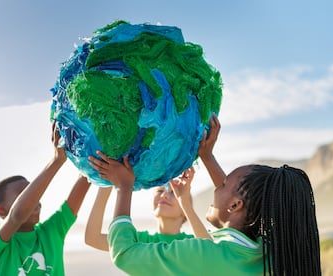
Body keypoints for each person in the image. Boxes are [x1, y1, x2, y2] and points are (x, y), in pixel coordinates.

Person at [89, 114, 321, 276]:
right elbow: (240, 197)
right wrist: (207, 157)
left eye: (223, 184)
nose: (216, 186)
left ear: (235, 205)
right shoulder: (269, 253)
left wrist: (123, 187)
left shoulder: (200, 254)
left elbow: (125, 254)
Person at [0, 123, 91, 276]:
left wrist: (96, 150)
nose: (36, 201)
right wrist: (57, 161)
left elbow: (85, 179)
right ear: (1, 210)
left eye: (35, 194)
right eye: (24, 195)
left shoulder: (50, 232)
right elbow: (17, 215)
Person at [84, 166, 210, 252]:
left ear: (184, 210)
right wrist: (107, 182)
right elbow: (93, 238)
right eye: (160, 190)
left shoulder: (190, 243)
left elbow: (212, 253)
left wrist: (186, 205)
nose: (164, 195)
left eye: (173, 194)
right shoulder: (142, 241)